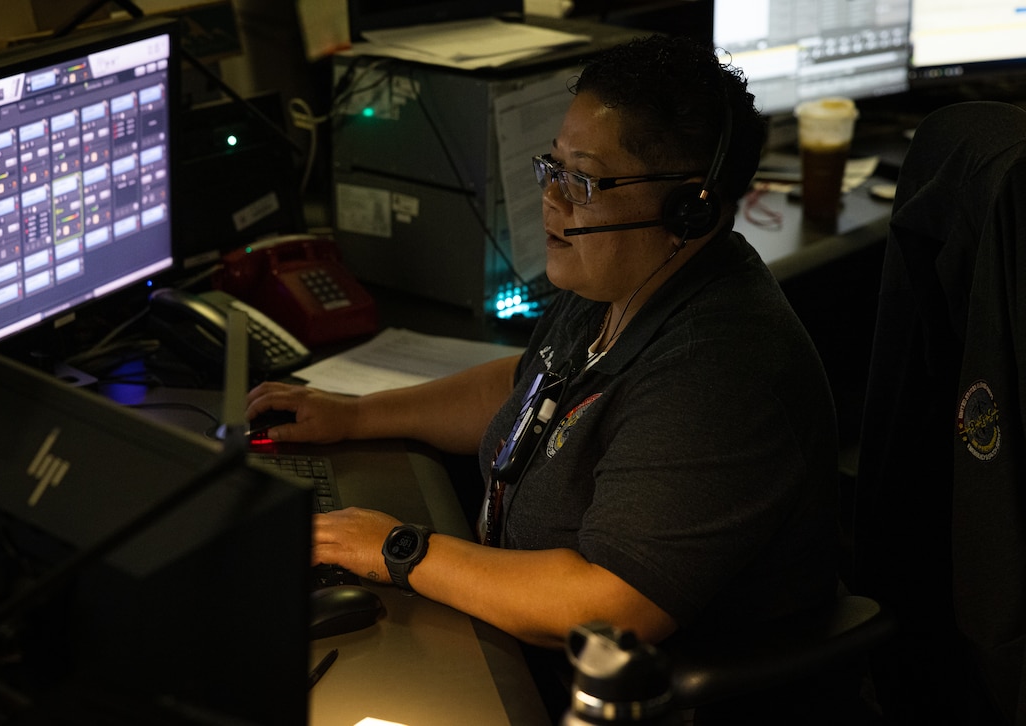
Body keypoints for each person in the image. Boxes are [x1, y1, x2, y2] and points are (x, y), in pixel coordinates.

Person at [247, 34, 842, 719]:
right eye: (551, 168)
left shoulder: (719, 374)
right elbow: (525, 388)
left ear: (689, 209)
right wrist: (355, 416)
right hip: (512, 644)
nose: (552, 201)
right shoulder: (615, 282)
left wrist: (395, 550)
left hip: (605, 699)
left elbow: (607, 606)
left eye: (582, 181)